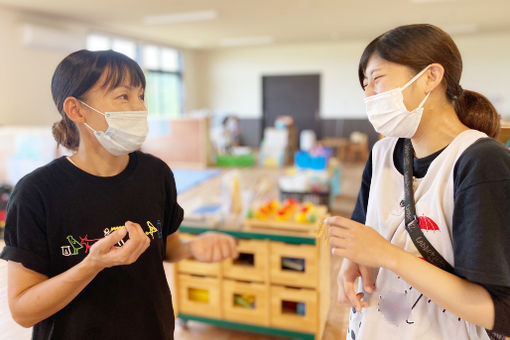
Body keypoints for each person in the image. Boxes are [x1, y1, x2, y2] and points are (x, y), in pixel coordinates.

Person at [0, 49, 238, 340]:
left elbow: (168, 247)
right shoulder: (36, 193)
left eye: (141, 96)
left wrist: (194, 248)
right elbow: (23, 311)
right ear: (77, 110)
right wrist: (93, 264)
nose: (139, 108)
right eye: (123, 96)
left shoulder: (155, 174)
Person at [326, 24, 510, 340]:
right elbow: (364, 238)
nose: (368, 94)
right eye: (364, 84)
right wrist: (352, 262)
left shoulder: (481, 162)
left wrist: (388, 256)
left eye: (377, 79)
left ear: (430, 77)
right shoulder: (382, 153)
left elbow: (499, 312)